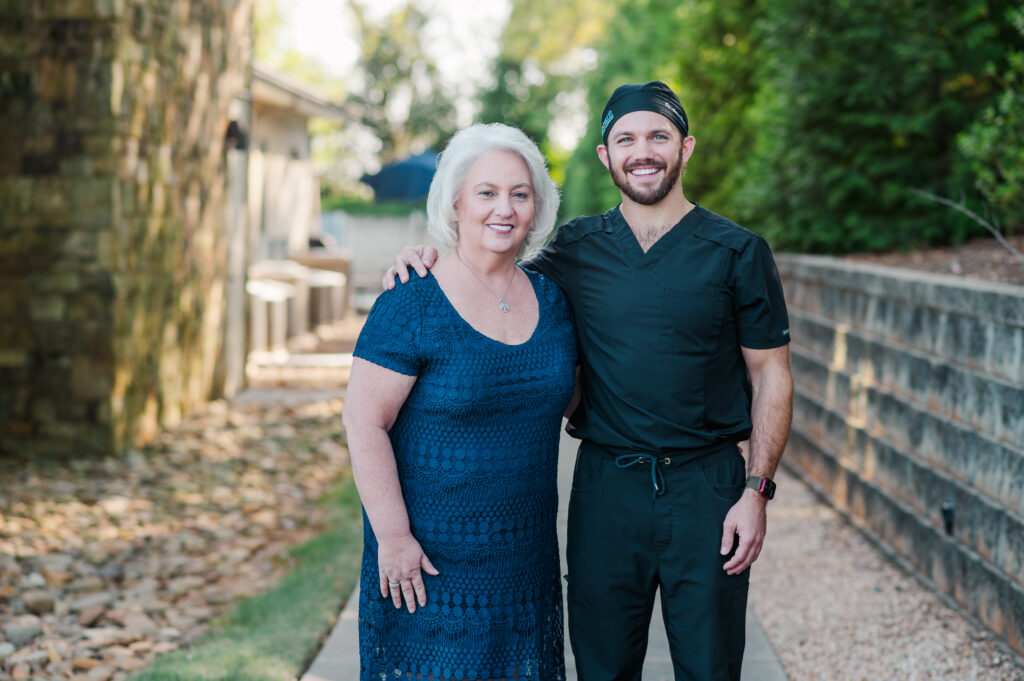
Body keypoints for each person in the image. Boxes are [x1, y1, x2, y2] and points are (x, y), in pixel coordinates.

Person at [384, 81, 794, 681]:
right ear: (606, 155)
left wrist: (755, 493)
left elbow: (771, 374)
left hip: (707, 489)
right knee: (602, 668)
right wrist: (425, 256)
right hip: (608, 488)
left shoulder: (738, 252)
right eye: (625, 139)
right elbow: (492, 272)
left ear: (685, 147)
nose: (642, 151)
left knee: (711, 667)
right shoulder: (575, 248)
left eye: (658, 136)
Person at [343, 123, 577, 681]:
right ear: (455, 202)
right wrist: (393, 537)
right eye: (486, 192)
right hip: (426, 564)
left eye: (520, 194)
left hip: (524, 564)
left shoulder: (552, 300)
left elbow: (577, 403)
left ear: (537, 207)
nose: (505, 208)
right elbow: (363, 421)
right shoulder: (412, 299)